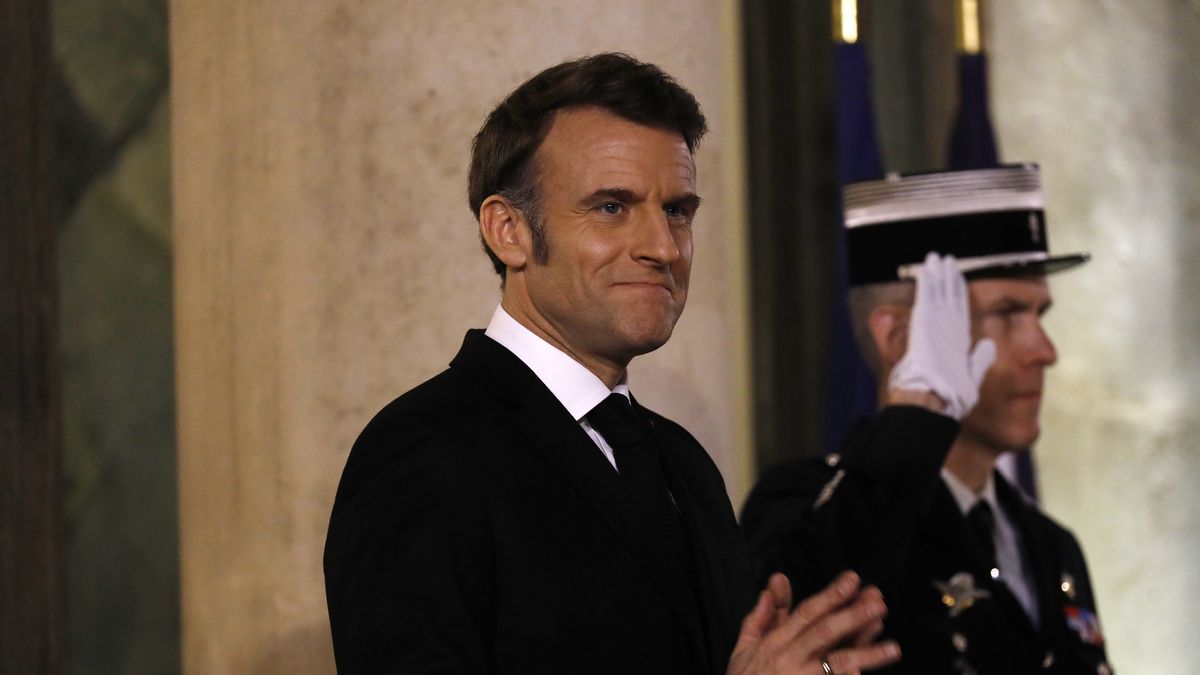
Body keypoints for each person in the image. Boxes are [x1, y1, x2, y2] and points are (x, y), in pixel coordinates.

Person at [324, 53, 900, 675]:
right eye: (610, 207)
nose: (662, 248)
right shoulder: (422, 454)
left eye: (677, 209)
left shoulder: (682, 461)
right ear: (509, 230)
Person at [742, 165, 1113, 674]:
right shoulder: (813, 504)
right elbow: (796, 611)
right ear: (898, 339)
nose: (1044, 351)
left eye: (1039, 315)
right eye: (1006, 313)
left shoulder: (1050, 546)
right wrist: (918, 410)